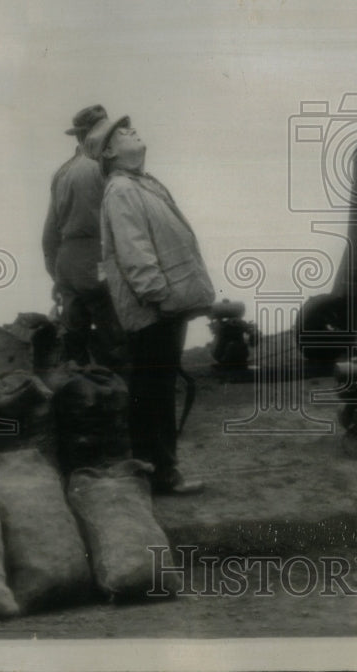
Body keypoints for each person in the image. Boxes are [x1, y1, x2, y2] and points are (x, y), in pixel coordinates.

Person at [85, 115, 214, 495]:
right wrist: (162, 297)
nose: (132, 131)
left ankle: (155, 470)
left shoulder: (140, 184)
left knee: (153, 390)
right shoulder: (123, 190)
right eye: (121, 132)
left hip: (162, 307)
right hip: (155, 309)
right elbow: (135, 255)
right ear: (108, 151)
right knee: (154, 395)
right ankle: (160, 474)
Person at [42, 105, 126, 368]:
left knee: (73, 342)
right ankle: (120, 398)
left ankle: (81, 399)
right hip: (98, 257)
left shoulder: (62, 173)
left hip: (67, 261)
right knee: (114, 337)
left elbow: (49, 235)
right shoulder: (106, 166)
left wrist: (59, 276)